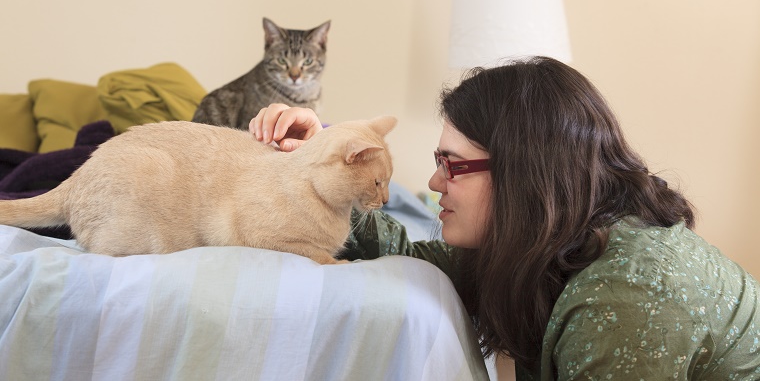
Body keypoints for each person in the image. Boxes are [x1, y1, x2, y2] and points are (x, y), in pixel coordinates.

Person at [250, 56, 760, 380]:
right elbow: (405, 256)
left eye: (453, 165)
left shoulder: (630, 293)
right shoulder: (551, 249)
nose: (432, 184)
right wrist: (322, 162)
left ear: (525, 172)